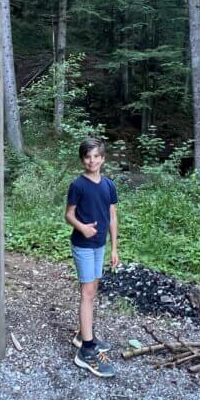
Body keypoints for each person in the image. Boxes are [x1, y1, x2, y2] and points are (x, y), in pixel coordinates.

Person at [65, 137, 119, 378]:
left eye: (96, 156)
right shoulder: (78, 185)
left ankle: (82, 334)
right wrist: (82, 227)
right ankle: (86, 351)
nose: (92, 160)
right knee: (87, 293)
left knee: (93, 290)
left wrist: (114, 248)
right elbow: (68, 215)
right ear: (82, 159)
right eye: (87, 157)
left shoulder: (108, 185)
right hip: (83, 244)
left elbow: (113, 216)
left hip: (100, 245)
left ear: (103, 159)